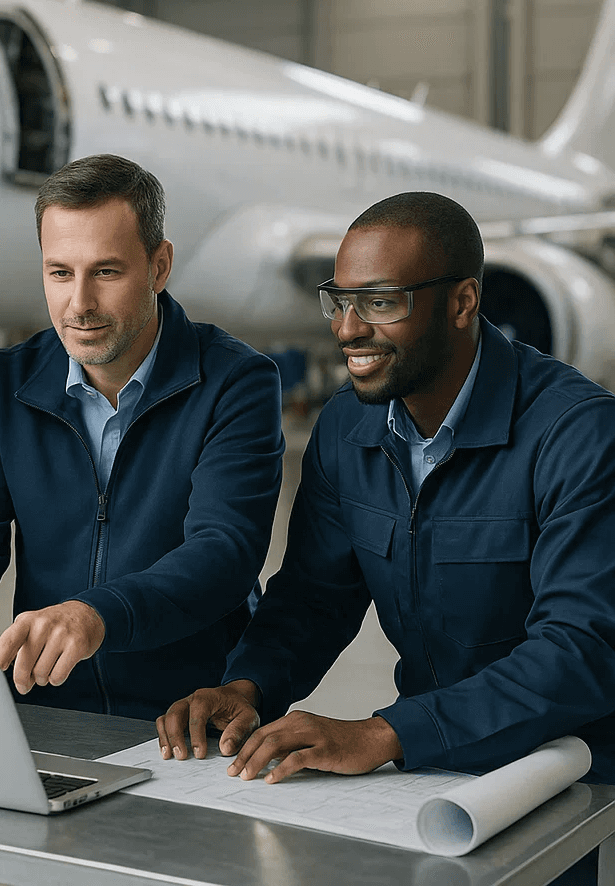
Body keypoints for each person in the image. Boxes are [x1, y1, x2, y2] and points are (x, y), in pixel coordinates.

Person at [157, 191, 615, 881]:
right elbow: (313, 595)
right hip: (428, 779)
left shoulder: (577, 434)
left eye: (380, 303)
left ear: (462, 303)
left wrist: (384, 733)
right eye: (339, 301)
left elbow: (581, 651)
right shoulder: (348, 429)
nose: (347, 329)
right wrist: (248, 686)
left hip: (573, 786)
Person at [0, 153, 284, 719]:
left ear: (159, 267)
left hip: (195, 717)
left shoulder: (237, 382)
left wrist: (96, 615)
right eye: (59, 273)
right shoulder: (2, 385)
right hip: (46, 712)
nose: (78, 304)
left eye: (105, 272)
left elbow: (224, 552)